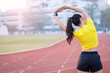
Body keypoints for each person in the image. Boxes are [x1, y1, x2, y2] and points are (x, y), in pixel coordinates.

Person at [54, 6, 103, 73]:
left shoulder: (77, 33)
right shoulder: (90, 24)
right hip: (94, 56)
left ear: (76, 25)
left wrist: (55, 15)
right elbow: (82, 11)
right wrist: (67, 7)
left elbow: (61, 26)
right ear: (82, 19)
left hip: (84, 57)